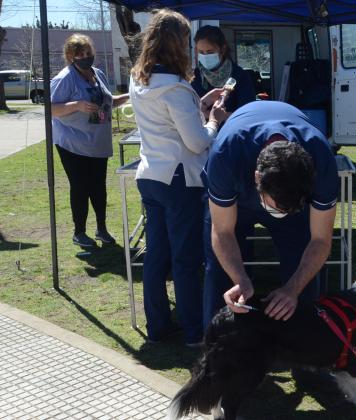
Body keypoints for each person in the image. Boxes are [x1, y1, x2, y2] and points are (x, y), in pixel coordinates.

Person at [129, 9, 229, 347]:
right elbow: (197, 141)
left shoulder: (139, 80)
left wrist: (199, 103)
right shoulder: (175, 88)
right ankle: (193, 332)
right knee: (186, 259)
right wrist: (213, 119)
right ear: (178, 44)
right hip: (177, 180)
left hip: (150, 175)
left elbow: (170, 122)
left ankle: (158, 327)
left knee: (157, 255)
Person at [204, 100, 338, 326]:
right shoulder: (227, 153)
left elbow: (321, 240)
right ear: (257, 178)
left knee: (303, 272)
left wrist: (293, 289)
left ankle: (302, 348)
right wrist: (240, 279)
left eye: (289, 208)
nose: (280, 212)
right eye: (276, 206)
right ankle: (218, 347)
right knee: (220, 274)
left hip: (287, 201)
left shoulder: (321, 158)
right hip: (238, 198)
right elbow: (222, 230)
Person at [51, 34, 129, 248]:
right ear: (70, 56)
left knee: (98, 187)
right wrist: (76, 105)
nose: (86, 57)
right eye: (80, 54)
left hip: (97, 142)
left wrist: (131, 96)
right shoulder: (64, 78)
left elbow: (108, 101)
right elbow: (52, 109)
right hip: (72, 143)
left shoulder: (98, 74)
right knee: (80, 186)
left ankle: (101, 229)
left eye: (88, 53)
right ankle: (79, 232)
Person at [191, 25, 256, 114]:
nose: (205, 56)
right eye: (201, 52)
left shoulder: (239, 75)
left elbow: (247, 114)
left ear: (223, 49)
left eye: (210, 52)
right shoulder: (193, 76)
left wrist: (219, 117)